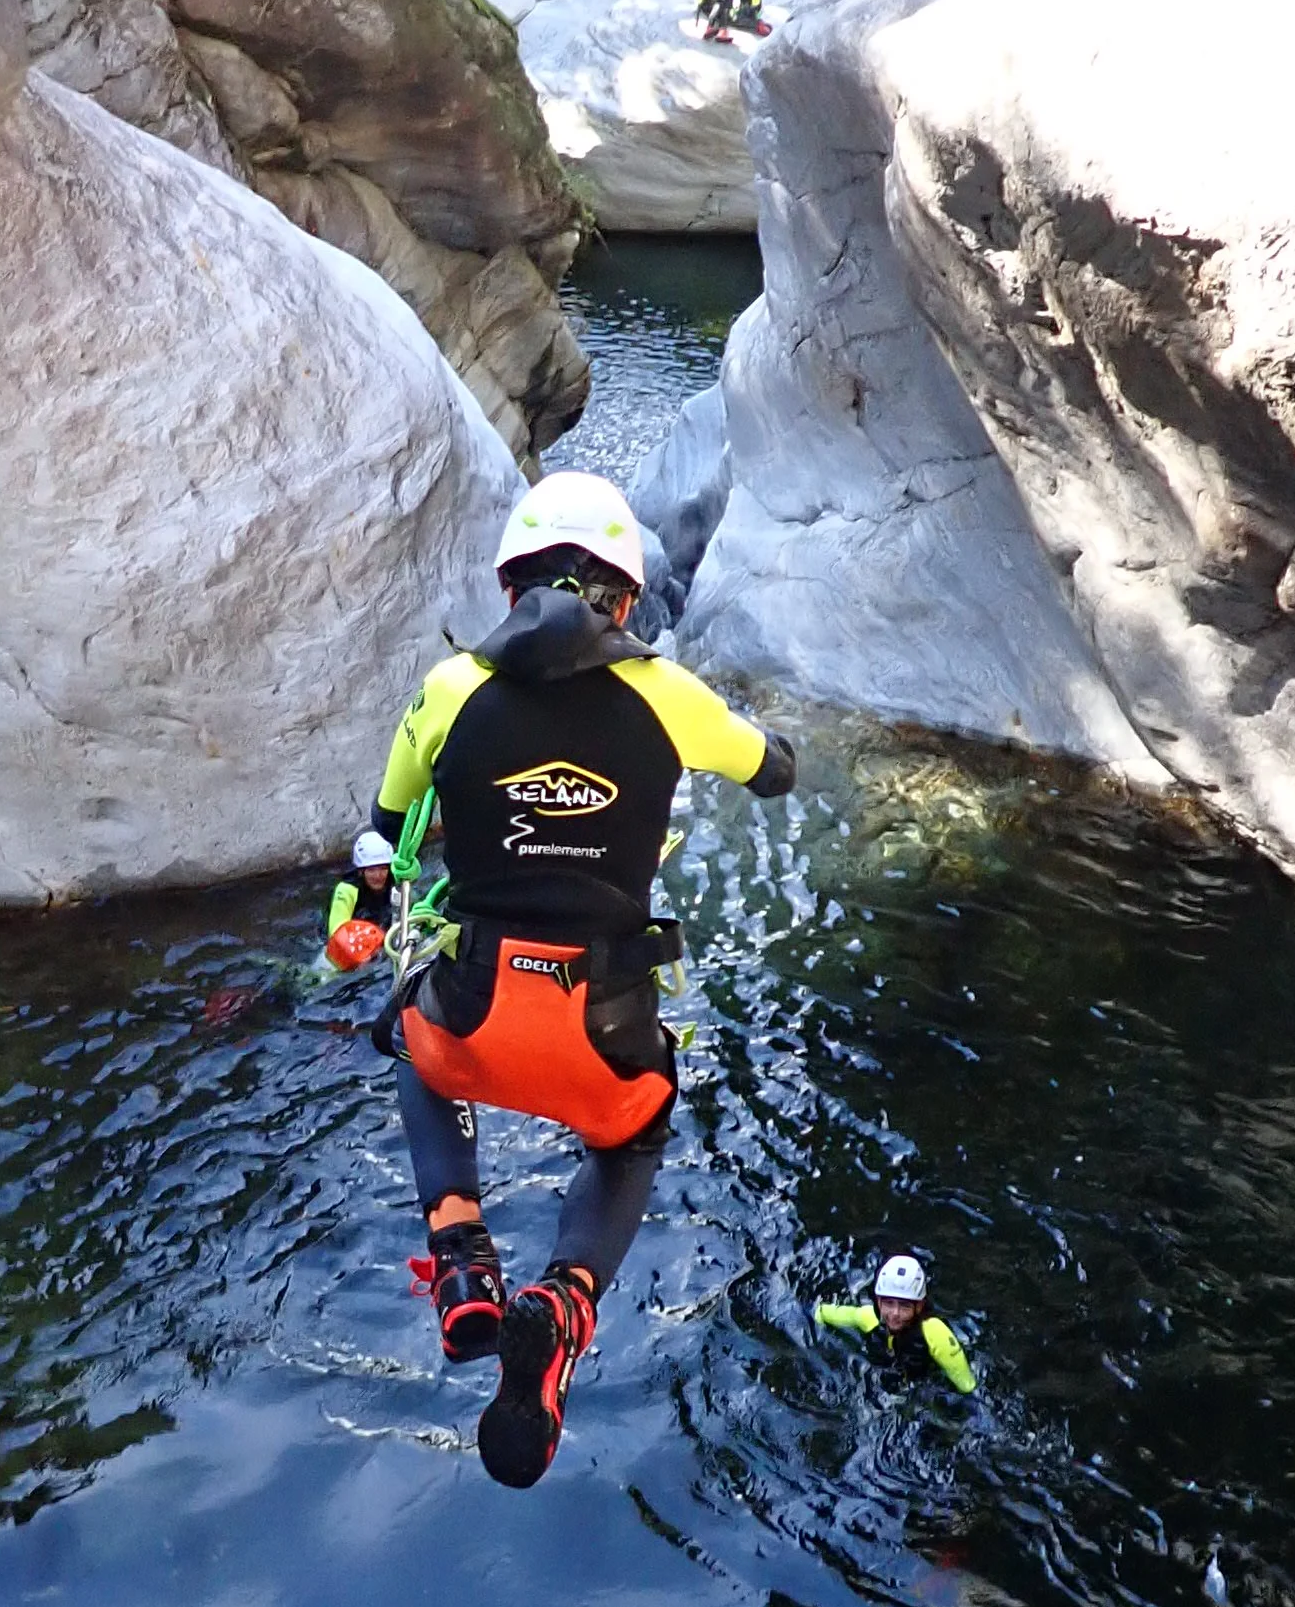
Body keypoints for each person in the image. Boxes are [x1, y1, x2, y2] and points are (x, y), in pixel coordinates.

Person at [332, 473, 795, 1487]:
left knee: (412, 1043)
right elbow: (775, 769)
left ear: (509, 590)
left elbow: (382, 827)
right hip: (603, 1037)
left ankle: (461, 1253)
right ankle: (566, 1296)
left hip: (474, 1019)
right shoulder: (669, 697)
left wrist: (366, 908)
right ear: (625, 602)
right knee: (633, 1134)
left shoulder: (446, 691)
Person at [814, 1253, 976, 1395]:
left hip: (925, 1385)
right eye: (889, 1303)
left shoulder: (935, 1333)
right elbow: (822, 1312)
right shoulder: (869, 1318)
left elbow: (967, 1386)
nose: (894, 1314)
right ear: (878, 1301)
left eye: (904, 1305)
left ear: (919, 1306)